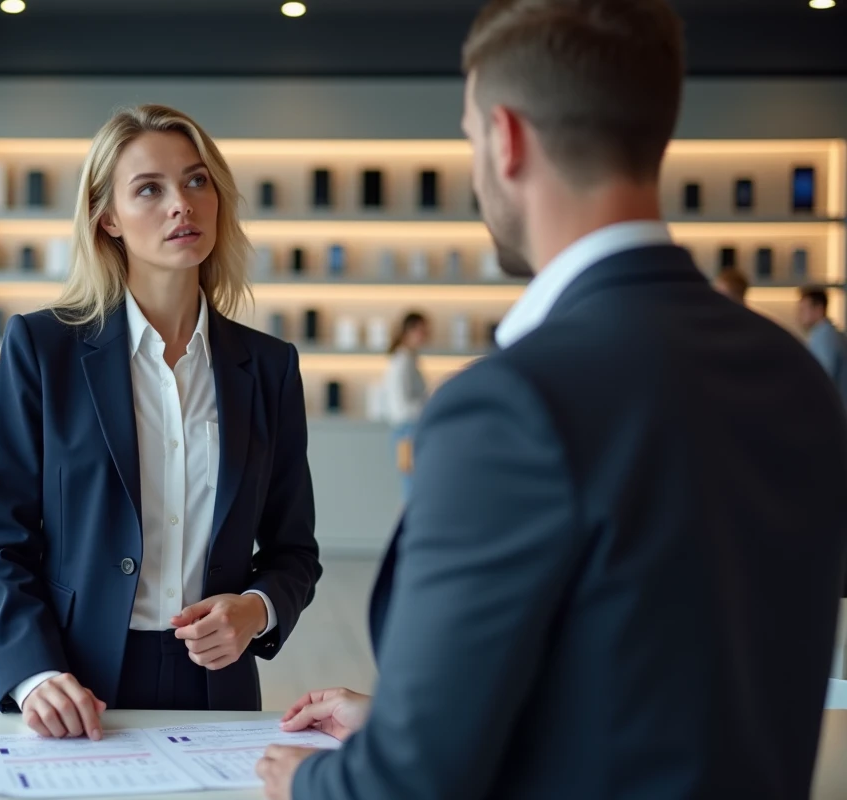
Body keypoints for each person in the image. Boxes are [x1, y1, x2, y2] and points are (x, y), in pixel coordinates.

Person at [257, 1, 847, 798]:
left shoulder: (508, 406)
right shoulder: (795, 377)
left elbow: (409, 786)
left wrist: (315, 782)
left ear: (505, 139)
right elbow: (657, 686)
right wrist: (405, 723)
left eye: (469, 137)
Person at [0, 103, 322, 742]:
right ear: (108, 218)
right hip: (75, 684)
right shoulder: (42, 349)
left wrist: (255, 610)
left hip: (219, 684)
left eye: (196, 181)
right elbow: (0, 543)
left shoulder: (270, 368)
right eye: (149, 189)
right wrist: (34, 674)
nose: (181, 205)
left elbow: (293, 550)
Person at [380, 312, 429, 502]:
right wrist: (428, 406)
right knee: (412, 491)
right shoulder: (402, 361)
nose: (425, 336)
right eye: (421, 331)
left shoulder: (408, 359)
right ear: (409, 331)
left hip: (408, 432)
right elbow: (401, 406)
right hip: (407, 433)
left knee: (413, 489)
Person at [797, 286, 847, 406]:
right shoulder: (830, 334)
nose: (799, 315)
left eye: (803, 310)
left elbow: (822, 377)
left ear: (819, 309)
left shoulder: (824, 336)